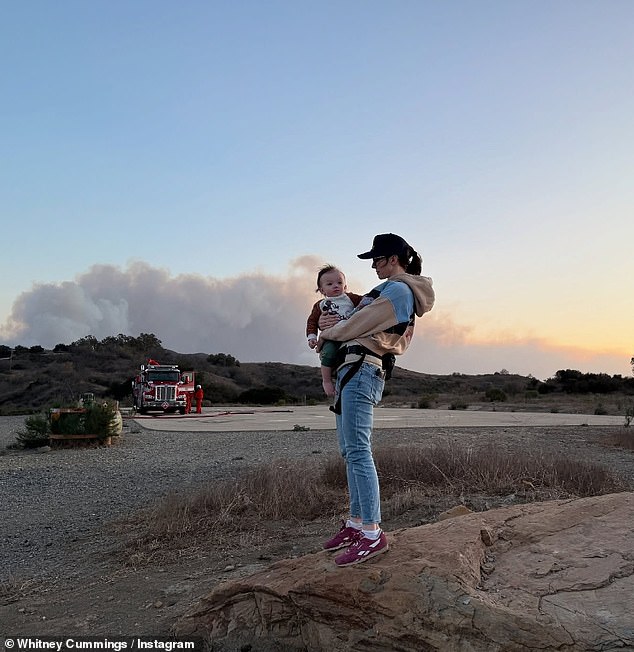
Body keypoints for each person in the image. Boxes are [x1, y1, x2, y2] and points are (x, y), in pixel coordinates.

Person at [317, 233, 435, 567]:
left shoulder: (397, 290)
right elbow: (351, 323)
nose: (372, 266)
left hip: (362, 369)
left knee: (358, 451)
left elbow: (357, 324)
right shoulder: (389, 290)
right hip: (351, 369)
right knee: (349, 450)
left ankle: (371, 533)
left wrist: (328, 331)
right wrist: (331, 326)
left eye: (377, 259)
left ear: (393, 259)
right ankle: (356, 523)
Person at [306, 265, 363, 397]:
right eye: (330, 284)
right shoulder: (320, 305)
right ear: (322, 290)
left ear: (345, 286)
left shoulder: (350, 298)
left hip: (350, 335)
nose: (336, 286)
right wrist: (312, 337)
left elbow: (366, 300)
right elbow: (312, 321)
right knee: (328, 353)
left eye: (339, 283)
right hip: (331, 337)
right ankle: (326, 381)